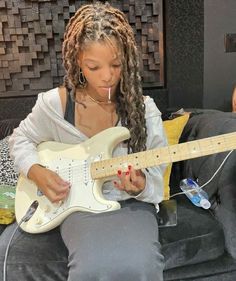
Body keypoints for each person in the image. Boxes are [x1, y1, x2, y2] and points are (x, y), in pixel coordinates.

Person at [0, 2, 167, 280]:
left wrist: (141, 185)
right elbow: (21, 139)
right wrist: (36, 172)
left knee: (142, 266)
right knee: (91, 268)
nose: (107, 76)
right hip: (77, 201)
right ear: (78, 60)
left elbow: (156, 172)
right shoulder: (55, 104)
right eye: (94, 66)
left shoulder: (145, 109)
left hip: (129, 203)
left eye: (116, 64)